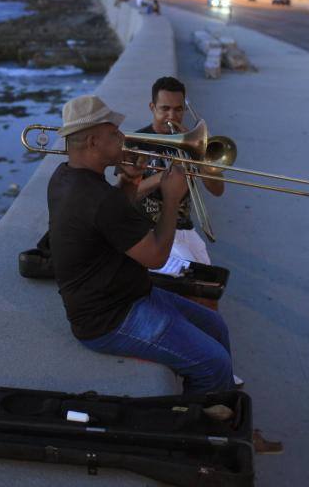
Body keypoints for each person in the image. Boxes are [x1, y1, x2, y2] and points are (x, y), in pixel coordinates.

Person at [47, 94, 238, 394]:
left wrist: (130, 183)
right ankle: (207, 429)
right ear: (93, 142)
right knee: (215, 364)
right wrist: (172, 196)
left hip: (127, 293)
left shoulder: (64, 177)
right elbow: (156, 257)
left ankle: (224, 407)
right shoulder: (98, 198)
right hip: (109, 318)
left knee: (215, 326)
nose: (123, 138)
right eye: (114, 133)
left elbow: (108, 224)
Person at [130, 77, 224, 270]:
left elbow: (217, 190)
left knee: (209, 290)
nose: (172, 116)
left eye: (178, 109)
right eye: (165, 109)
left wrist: (199, 158)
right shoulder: (136, 142)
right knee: (195, 288)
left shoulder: (192, 143)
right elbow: (128, 195)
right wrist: (165, 175)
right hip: (149, 232)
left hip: (184, 230)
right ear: (152, 107)